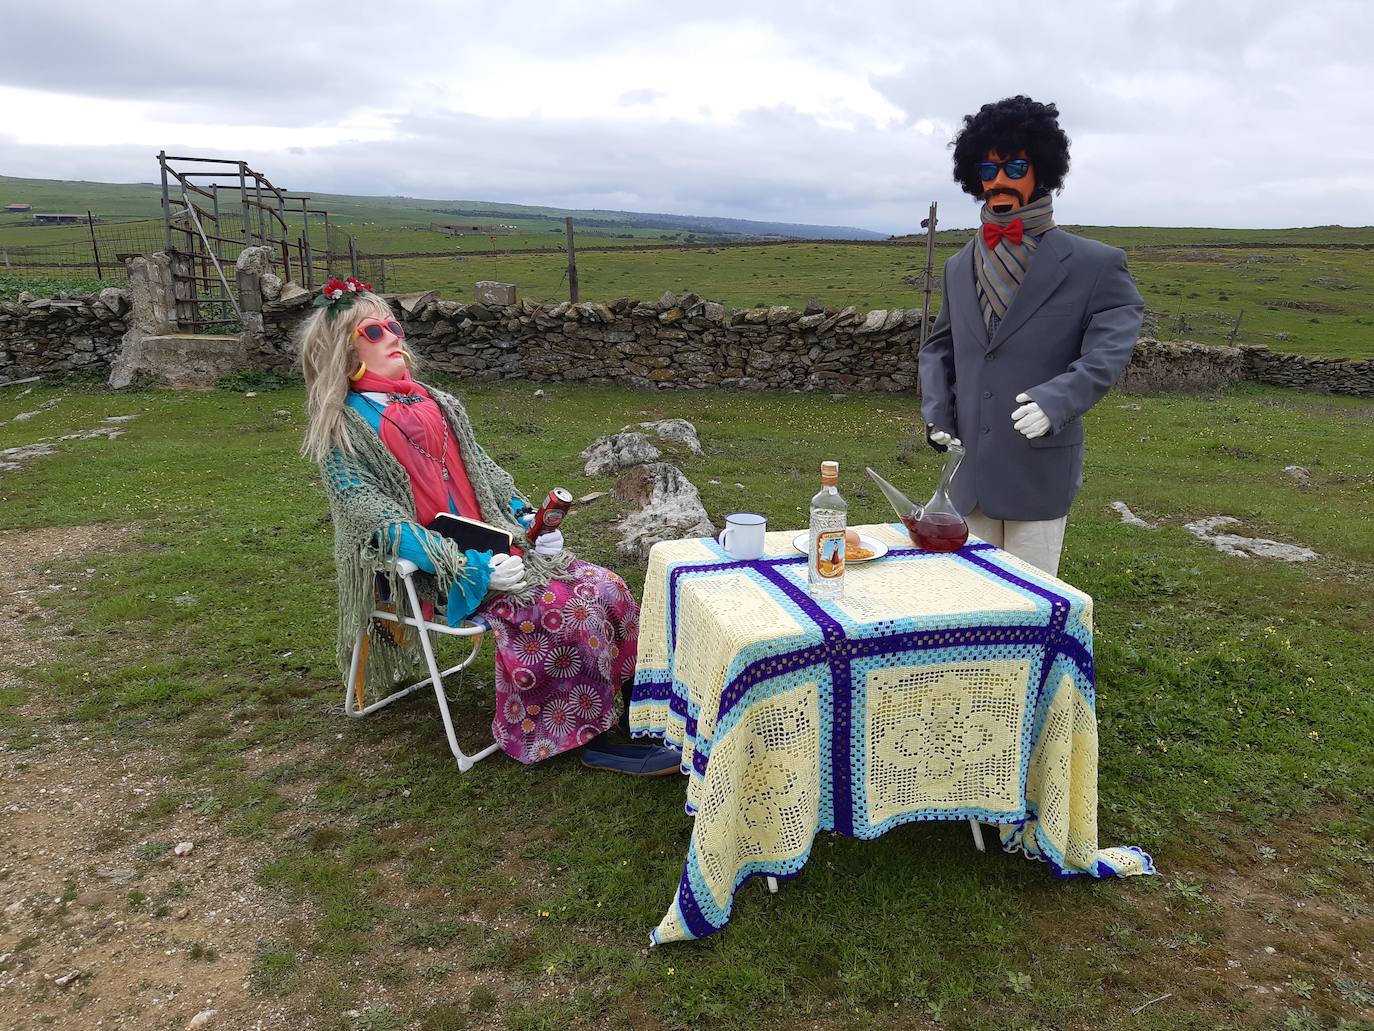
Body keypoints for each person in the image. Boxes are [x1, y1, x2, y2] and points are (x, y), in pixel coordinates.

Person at [299, 276, 679, 774]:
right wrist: (466, 566)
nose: (394, 336)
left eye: (394, 325)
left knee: (608, 586)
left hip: (500, 544)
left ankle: (631, 705)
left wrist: (528, 520)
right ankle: (582, 735)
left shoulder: (437, 401)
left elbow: (486, 473)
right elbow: (376, 520)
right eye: (374, 331)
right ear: (343, 354)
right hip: (438, 570)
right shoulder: (343, 430)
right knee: (564, 610)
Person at [918, 96, 1145, 576]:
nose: (998, 181)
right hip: (968, 474)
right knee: (969, 605)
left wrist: (1058, 400)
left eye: (1015, 166)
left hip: (1037, 471)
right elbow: (940, 348)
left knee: (1029, 608)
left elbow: (1109, 349)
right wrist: (936, 409)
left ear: (1041, 170)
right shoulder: (960, 265)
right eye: (988, 168)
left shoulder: (1095, 264)